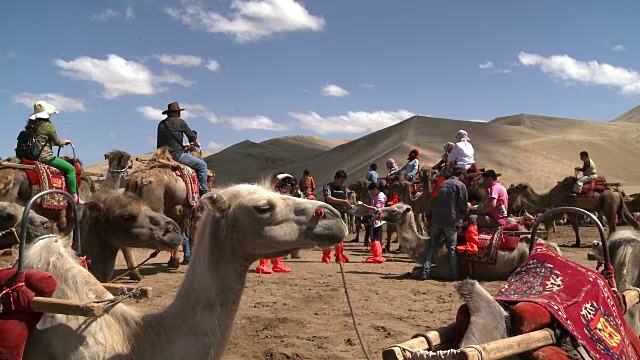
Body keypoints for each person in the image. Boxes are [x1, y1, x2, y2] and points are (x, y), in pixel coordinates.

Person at [26, 101, 84, 204]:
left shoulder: (32, 125)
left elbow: (41, 142)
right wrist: (63, 142)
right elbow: (57, 142)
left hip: (32, 156)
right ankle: (74, 196)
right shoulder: (48, 126)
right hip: (46, 158)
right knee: (71, 169)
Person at [420, 165, 468, 280]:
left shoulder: (443, 184)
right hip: (451, 220)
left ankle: (425, 271)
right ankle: (453, 274)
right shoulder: (460, 186)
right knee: (452, 248)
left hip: (437, 219)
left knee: (432, 246)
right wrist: (465, 212)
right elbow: (463, 204)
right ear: (460, 174)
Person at [156, 102, 208, 197]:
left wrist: (183, 145)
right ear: (177, 112)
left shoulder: (161, 124)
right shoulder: (180, 122)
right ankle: (203, 193)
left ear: (168, 113)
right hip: (177, 156)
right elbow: (192, 137)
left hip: (162, 156)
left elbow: (162, 142)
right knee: (203, 166)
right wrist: (197, 144)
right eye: (179, 112)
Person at [459, 170, 508, 254]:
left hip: (495, 219)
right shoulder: (500, 187)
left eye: (484, 180)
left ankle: (472, 245)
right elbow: (488, 205)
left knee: (472, 218)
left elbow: (492, 205)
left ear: (489, 179)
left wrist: (481, 212)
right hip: (498, 217)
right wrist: (486, 191)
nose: (484, 182)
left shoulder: (495, 188)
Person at [256, 173, 296, 274]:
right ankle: (263, 265)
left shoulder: (281, 193)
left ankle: (277, 263)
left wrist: (287, 191)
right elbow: (276, 179)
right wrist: (286, 175)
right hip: (267, 220)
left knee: (279, 243)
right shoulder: (270, 190)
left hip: (277, 220)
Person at [322, 170, 351, 263]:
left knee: (340, 235)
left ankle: (339, 255)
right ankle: (326, 255)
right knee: (327, 236)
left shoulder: (344, 189)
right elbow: (328, 198)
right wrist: (341, 201)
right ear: (336, 178)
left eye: (344, 181)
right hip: (329, 214)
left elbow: (346, 200)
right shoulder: (328, 186)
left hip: (341, 215)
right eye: (341, 180)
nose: (342, 182)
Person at [360, 182, 388, 263]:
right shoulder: (376, 197)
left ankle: (377, 255)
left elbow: (377, 208)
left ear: (375, 190)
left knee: (376, 237)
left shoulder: (380, 197)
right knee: (374, 237)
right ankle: (376, 254)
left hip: (378, 220)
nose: (371, 193)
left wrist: (365, 206)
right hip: (374, 219)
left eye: (371, 191)